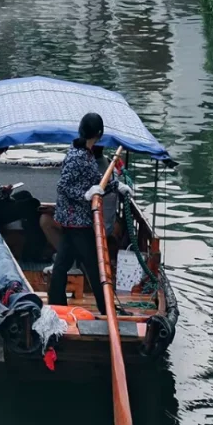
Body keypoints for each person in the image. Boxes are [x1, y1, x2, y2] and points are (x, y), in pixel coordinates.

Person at [47, 112, 132, 312]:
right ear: (99, 134)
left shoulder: (85, 153)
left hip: (76, 221)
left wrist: (116, 186)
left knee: (62, 265)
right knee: (95, 268)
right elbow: (63, 187)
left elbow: (96, 180)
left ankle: (57, 304)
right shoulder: (77, 156)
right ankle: (106, 309)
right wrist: (85, 195)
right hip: (76, 221)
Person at [0, 148, 53, 267]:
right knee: (32, 204)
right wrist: (5, 196)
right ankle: (32, 252)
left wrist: (2, 192)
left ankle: (29, 229)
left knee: (25, 195)